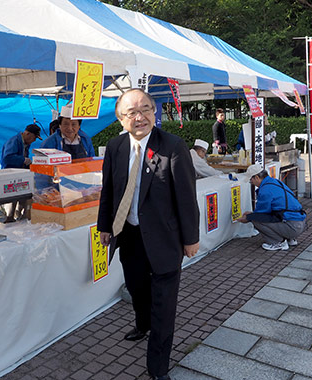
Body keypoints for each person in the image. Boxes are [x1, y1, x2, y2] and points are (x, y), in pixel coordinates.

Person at [97, 89, 200, 380]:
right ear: (121, 118)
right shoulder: (115, 146)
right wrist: (105, 225)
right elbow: (110, 191)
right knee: (137, 289)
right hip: (128, 235)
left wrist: (190, 238)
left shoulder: (172, 146)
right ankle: (142, 324)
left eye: (146, 109)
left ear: (155, 112)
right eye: (132, 112)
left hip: (165, 239)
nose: (140, 117)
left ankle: (158, 368)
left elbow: (186, 196)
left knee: (164, 307)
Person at [237, 164, 307, 251]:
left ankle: (277, 242)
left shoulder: (265, 189)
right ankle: (290, 239)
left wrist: (248, 217)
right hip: (300, 222)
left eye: (251, 180)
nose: (252, 183)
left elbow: (261, 213)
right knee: (259, 216)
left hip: (292, 226)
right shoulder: (275, 182)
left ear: (256, 177)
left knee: (255, 219)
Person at [0, 124, 42, 223]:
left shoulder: (25, 143)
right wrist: (23, 160)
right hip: (10, 176)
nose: (34, 140)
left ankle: (20, 216)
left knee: (22, 197)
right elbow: (7, 158)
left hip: (20, 175)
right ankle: (9, 218)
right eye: (34, 137)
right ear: (27, 133)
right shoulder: (14, 141)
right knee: (12, 200)